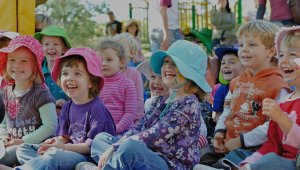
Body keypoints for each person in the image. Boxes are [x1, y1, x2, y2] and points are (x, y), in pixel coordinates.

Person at [76, 40, 212, 170]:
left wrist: (116, 147)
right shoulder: (161, 100)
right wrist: (116, 145)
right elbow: (139, 126)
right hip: (147, 155)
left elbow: (156, 134)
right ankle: (113, 165)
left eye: (175, 64)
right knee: (101, 139)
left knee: (130, 149)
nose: (168, 67)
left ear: (190, 74)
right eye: (166, 62)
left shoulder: (189, 103)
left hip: (169, 164)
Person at [199, 20, 290, 169]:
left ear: (271, 51)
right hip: (227, 142)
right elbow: (227, 110)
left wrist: (241, 141)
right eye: (241, 45)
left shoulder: (278, 85)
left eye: (252, 45)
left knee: (227, 164)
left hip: (256, 148)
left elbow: (274, 126)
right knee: (198, 158)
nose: (244, 50)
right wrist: (219, 132)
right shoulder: (236, 81)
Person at [10, 47, 116, 170]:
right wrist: (53, 142)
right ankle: (45, 166)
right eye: (65, 73)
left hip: (87, 157)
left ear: (91, 82)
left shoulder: (97, 109)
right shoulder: (67, 106)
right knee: (24, 149)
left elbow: (92, 148)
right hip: (66, 152)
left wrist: (62, 148)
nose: (69, 78)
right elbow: (65, 137)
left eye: (77, 73)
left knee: (53, 156)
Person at [236, 26, 300, 170]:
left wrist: (282, 119)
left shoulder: (279, 107)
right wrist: (248, 165)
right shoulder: (283, 103)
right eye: (281, 55)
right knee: (244, 157)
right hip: (276, 162)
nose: (284, 61)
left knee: (274, 161)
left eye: (293, 55)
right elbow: (272, 145)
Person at [0, 36, 57, 167]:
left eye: (24, 61)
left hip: (35, 147)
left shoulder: (40, 93)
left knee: (16, 152)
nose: (16, 65)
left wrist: (22, 141)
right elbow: (3, 122)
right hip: (12, 144)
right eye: (12, 60)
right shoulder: (5, 92)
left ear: (35, 67)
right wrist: (3, 137)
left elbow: (50, 126)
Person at [95, 38, 137, 135]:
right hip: (100, 131)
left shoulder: (127, 84)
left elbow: (130, 113)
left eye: (109, 60)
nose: (104, 63)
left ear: (121, 62)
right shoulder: (94, 84)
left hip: (123, 131)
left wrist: (116, 129)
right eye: (100, 60)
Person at [34, 25, 71, 114]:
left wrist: (67, 103)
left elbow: (77, 96)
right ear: (41, 48)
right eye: (46, 44)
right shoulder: (38, 74)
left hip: (67, 119)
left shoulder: (69, 73)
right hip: (44, 119)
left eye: (56, 44)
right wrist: (51, 104)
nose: (51, 47)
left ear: (64, 49)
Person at [113, 33, 145, 122]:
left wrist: (138, 121)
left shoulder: (134, 74)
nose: (117, 51)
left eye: (121, 48)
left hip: (129, 121)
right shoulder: (107, 73)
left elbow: (139, 100)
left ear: (131, 53)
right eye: (114, 48)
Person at [211, 46, 244, 123]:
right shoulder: (222, 90)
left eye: (231, 62)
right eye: (223, 63)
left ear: (244, 66)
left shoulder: (252, 87)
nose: (225, 66)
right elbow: (217, 116)